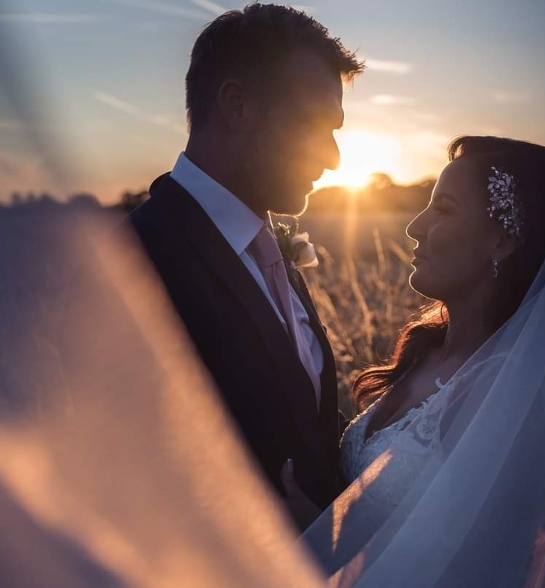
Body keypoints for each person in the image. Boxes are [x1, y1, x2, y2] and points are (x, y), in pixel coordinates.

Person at [293, 136, 545, 588]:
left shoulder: (509, 399)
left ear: (500, 240)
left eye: (443, 209)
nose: (414, 227)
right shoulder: (426, 350)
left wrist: (306, 525)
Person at [124, 3, 364, 523]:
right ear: (237, 106)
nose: (333, 157)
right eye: (315, 125)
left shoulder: (270, 249)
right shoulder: (134, 268)